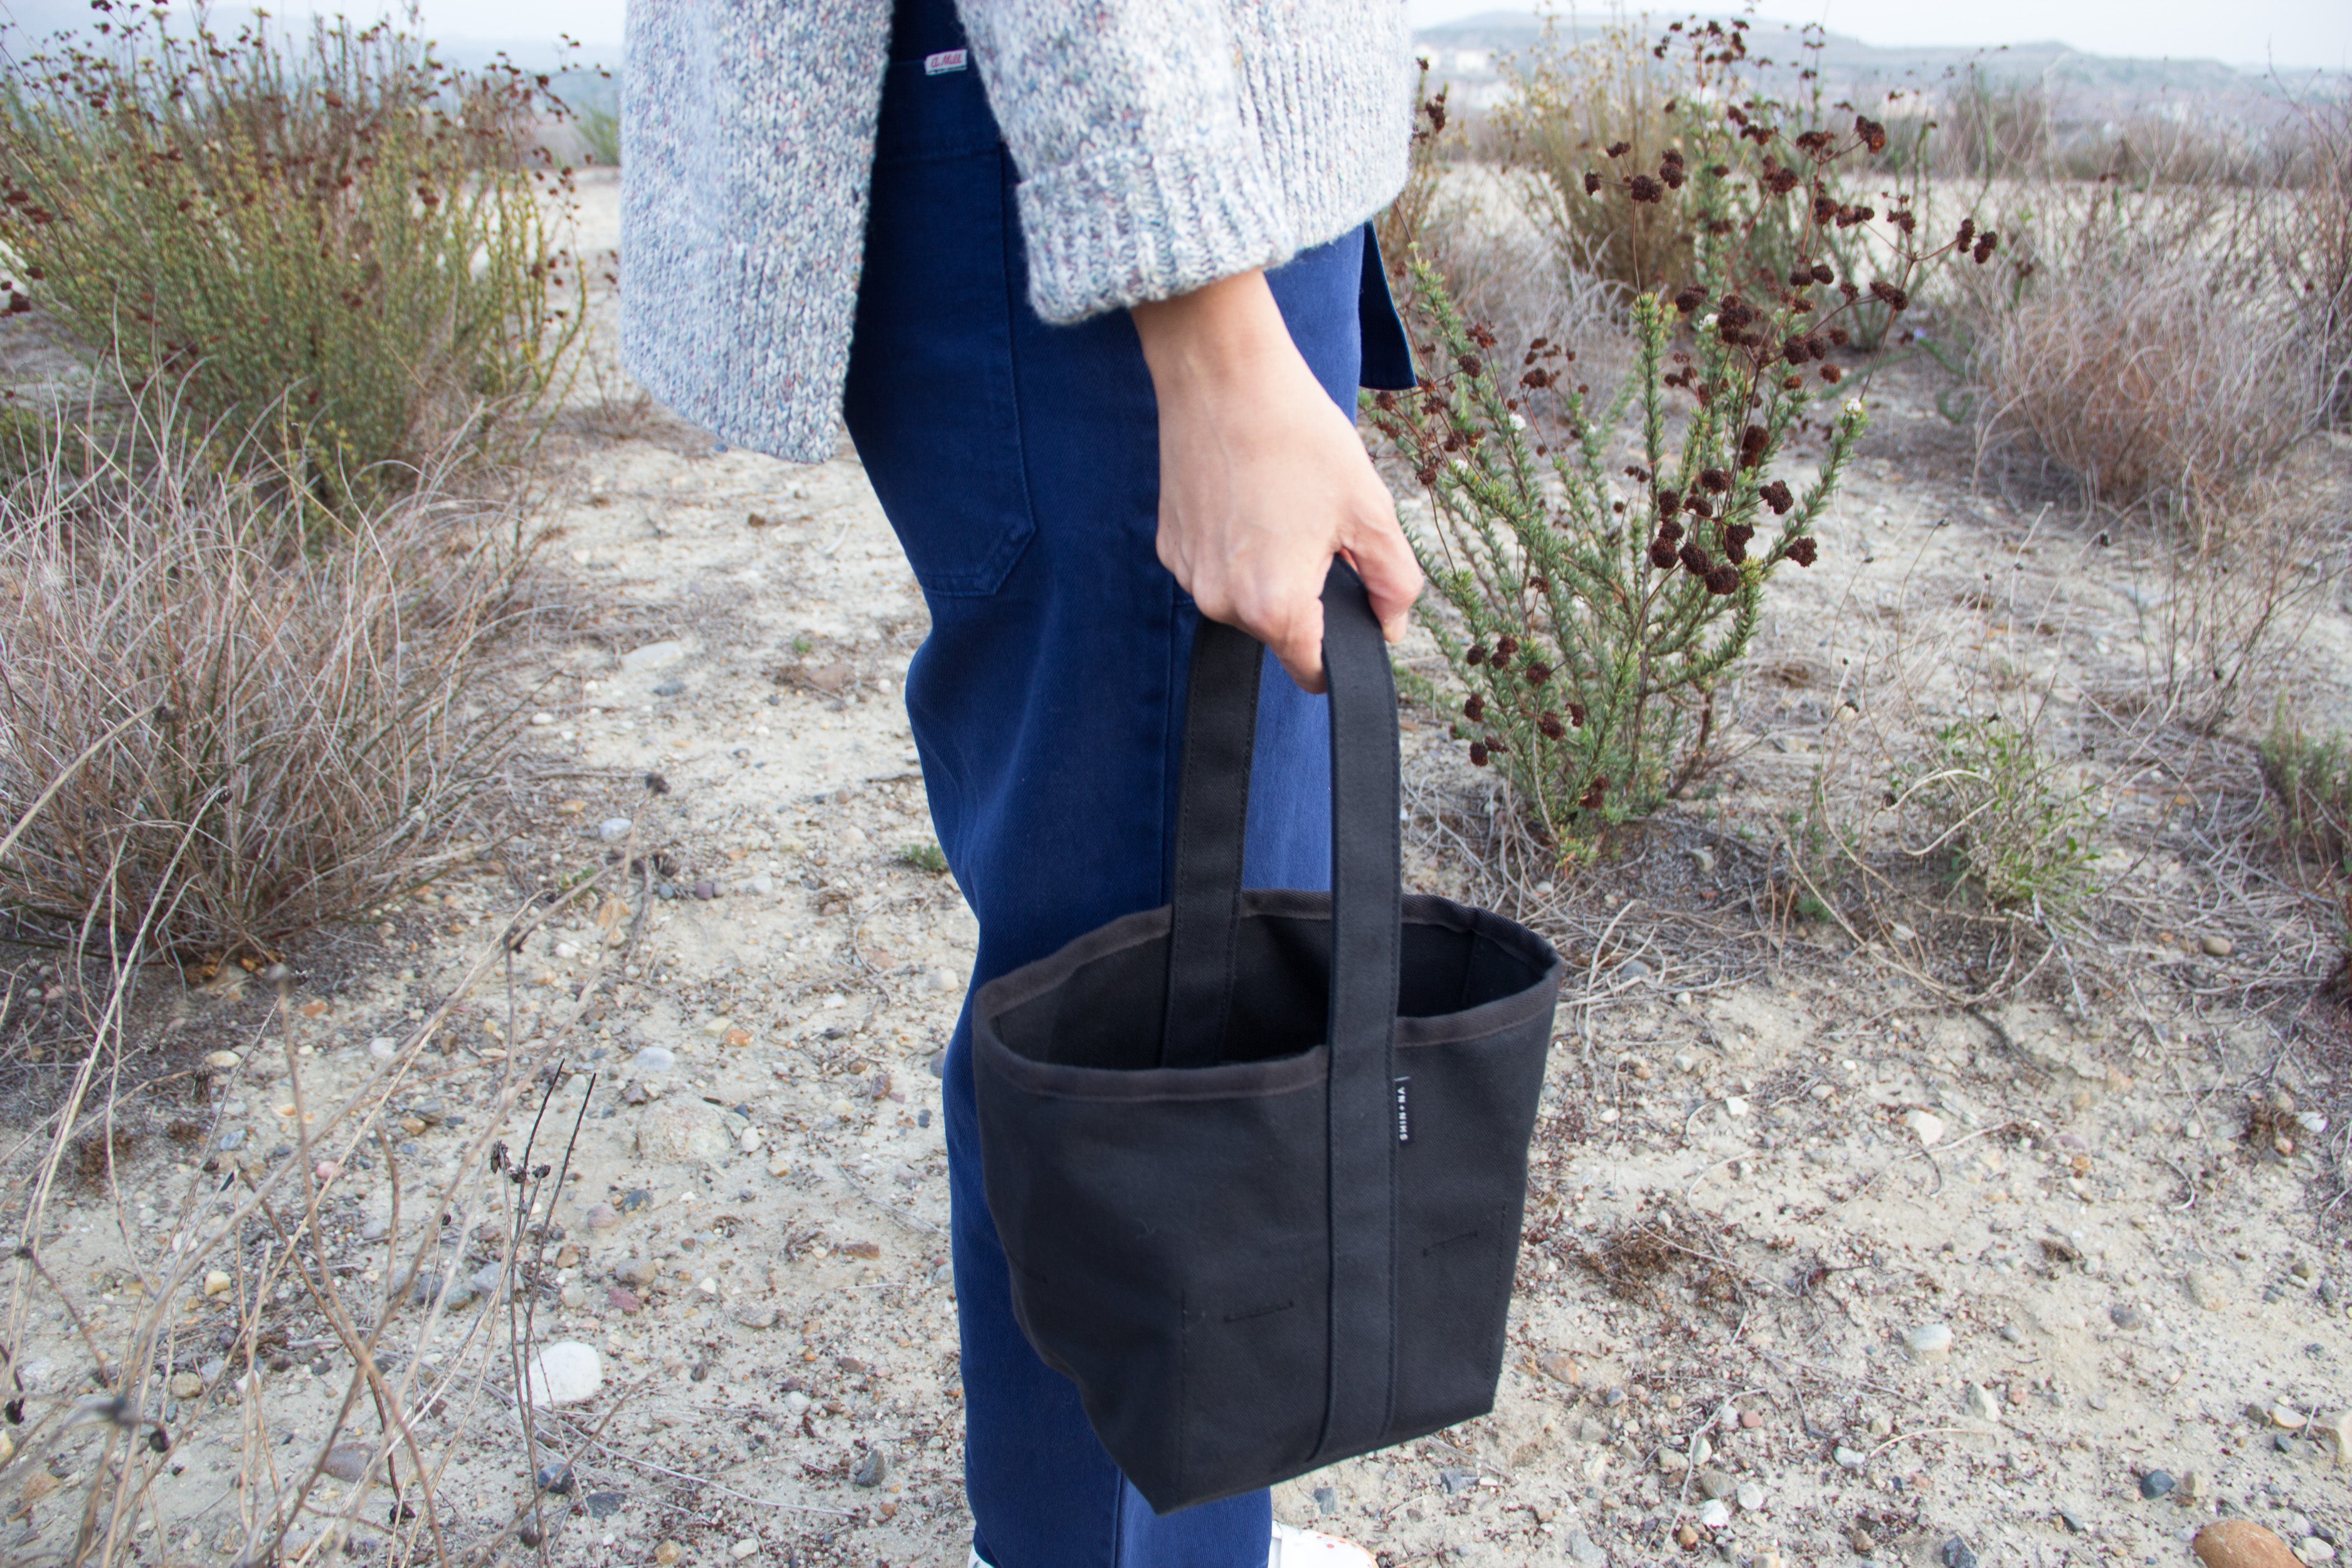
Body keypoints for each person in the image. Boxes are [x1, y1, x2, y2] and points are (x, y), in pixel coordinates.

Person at [620, 0, 1423, 1561]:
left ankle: (1173, 1529)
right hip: (1112, 159)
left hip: (1188, 147)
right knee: (1142, 1017)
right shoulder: (1158, 230)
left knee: (1176, 963)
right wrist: (1205, 316)